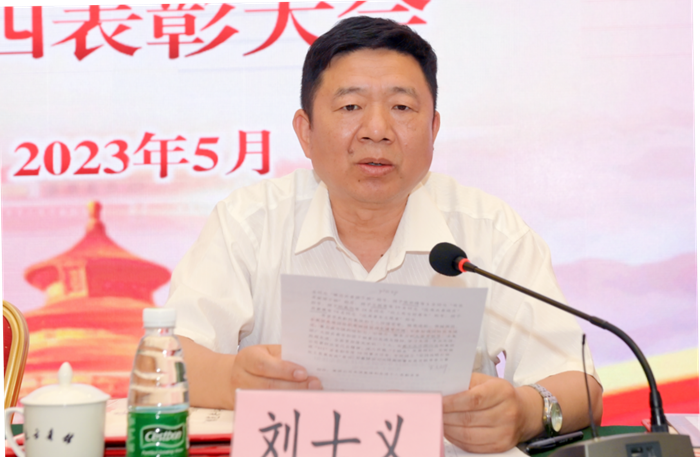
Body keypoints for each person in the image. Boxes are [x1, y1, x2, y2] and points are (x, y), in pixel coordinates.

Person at [166, 16, 603, 453]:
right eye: (350, 107)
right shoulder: (249, 222)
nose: (377, 130)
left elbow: (580, 384)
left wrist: (525, 411)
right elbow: (170, 360)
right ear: (305, 131)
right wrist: (232, 379)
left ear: (433, 129)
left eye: (402, 108)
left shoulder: (490, 230)